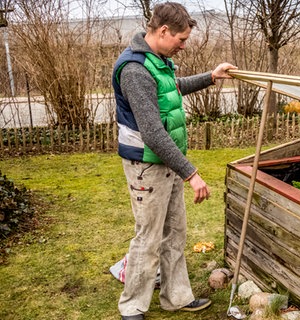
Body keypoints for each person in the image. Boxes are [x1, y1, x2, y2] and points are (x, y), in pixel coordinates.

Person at [111, 2, 237, 319]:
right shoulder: (135, 70)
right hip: (147, 165)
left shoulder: (158, 61)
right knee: (149, 237)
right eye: (181, 39)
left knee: (175, 234)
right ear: (164, 31)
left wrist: (211, 76)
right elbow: (152, 132)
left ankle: (176, 296)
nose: (183, 46)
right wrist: (191, 173)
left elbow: (173, 88)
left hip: (166, 162)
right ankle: (132, 306)